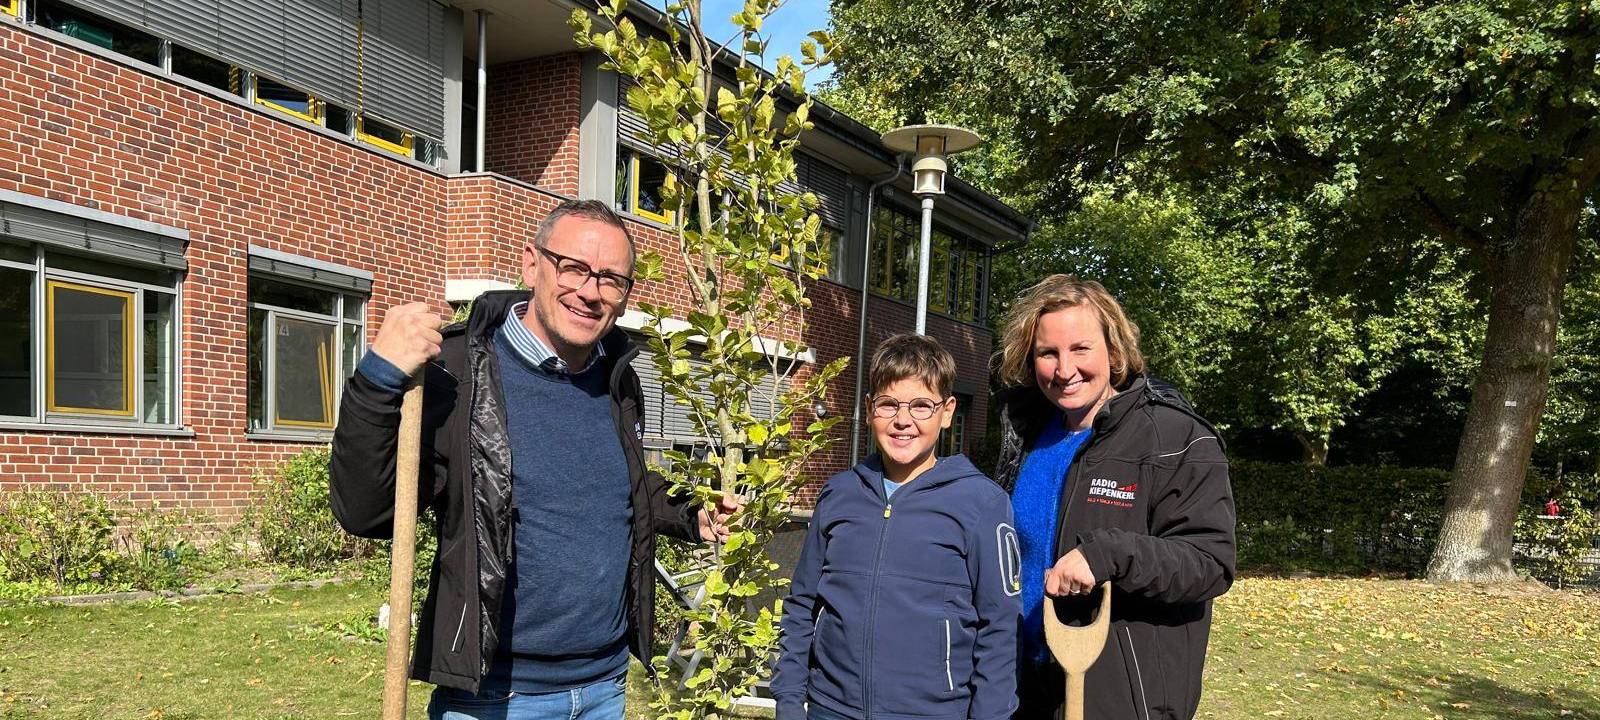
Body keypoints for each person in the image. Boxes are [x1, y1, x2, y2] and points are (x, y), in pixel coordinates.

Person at [329, 199, 737, 720]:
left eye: (611, 279)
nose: (590, 292)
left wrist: (688, 511)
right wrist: (378, 378)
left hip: (605, 687)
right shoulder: (458, 370)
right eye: (574, 268)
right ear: (531, 264)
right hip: (496, 698)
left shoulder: (617, 376)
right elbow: (367, 511)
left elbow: (615, 483)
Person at [993, 275, 1236, 720]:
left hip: (1118, 695)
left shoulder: (1175, 437)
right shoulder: (1024, 435)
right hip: (1022, 689)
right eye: (1048, 352)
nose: (1065, 369)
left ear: (1115, 350)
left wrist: (1110, 554)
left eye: (1081, 349)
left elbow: (1210, 563)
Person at [774, 334, 1021, 720]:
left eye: (921, 406)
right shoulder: (839, 495)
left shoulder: (982, 505)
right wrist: (789, 700)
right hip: (831, 709)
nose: (903, 420)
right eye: (888, 404)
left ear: (947, 411)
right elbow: (803, 603)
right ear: (870, 408)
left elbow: (999, 629)